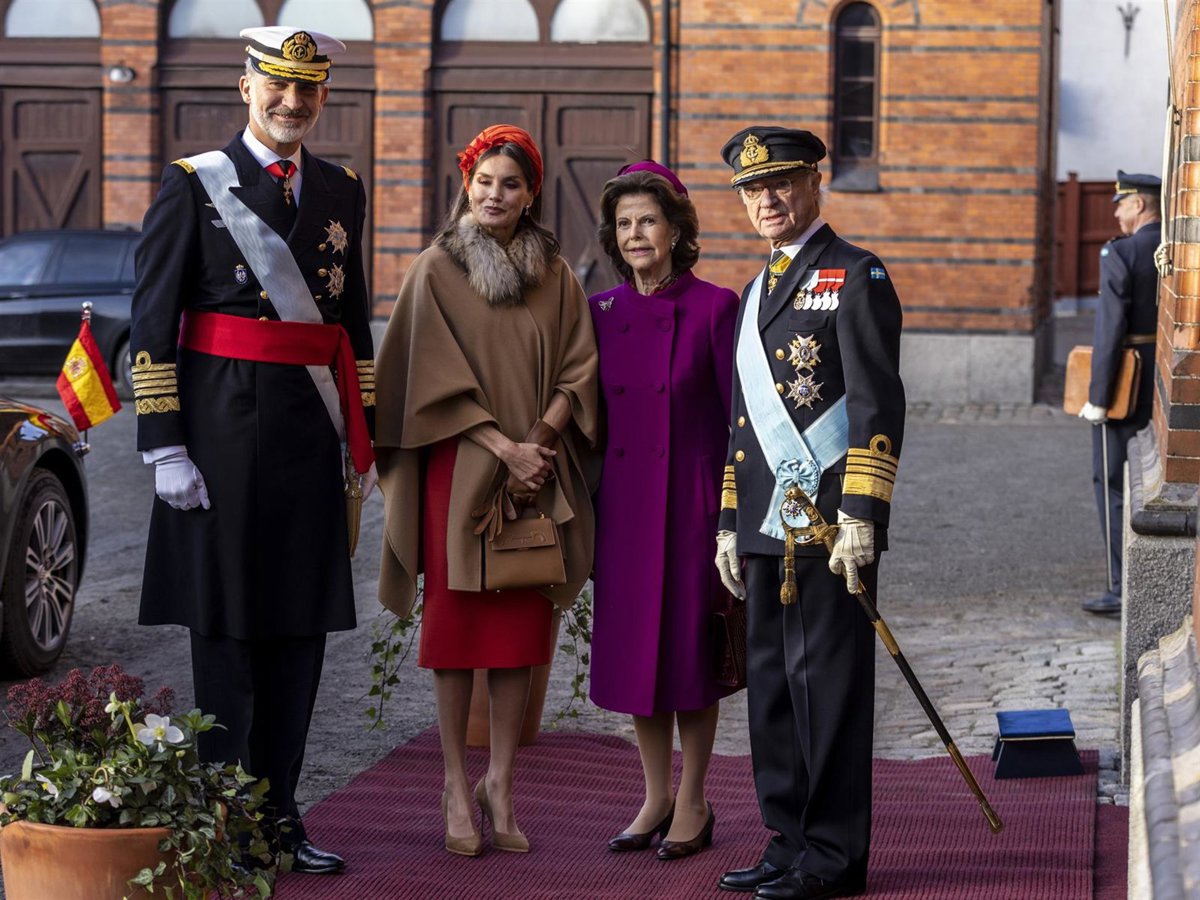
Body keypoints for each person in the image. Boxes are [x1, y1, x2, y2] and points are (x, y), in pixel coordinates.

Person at [129, 26, 375, 874]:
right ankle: (224, 820)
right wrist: (164, 446)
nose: (291, 102)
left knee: (301, 635)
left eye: (307, 89)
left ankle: (281, 818)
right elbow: (151, 324)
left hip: (308, 443)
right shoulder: (194, 183)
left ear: (323, 97)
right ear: (246, 87)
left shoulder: (341, 190)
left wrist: (361, 436)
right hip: (220, 446)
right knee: (228, 637)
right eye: (277, 85)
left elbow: (351, 326)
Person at [374, 124, 599, 857]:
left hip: (537, 469)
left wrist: (539, 441)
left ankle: (500, 783)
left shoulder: (556, 275)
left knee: (519, 633)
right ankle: (452, 782)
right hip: (460, 472)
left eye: (511, 183)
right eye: (484, 181)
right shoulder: (435, 270)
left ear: (531, 194)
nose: (495, 194)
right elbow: (419, 379)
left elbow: (580, 368)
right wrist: (503, 446)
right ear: (466, 184)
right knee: (457, 628)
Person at [713, 127, 905, 900]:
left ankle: (832, 855)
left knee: (826, 689)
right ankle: (788, 838)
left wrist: (862, 512)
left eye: (781, 183)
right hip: (766, 526)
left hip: (827, 528)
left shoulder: (858, 274)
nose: (767, 200)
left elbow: (876, 402)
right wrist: (730, 522)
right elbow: (741, 423)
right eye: (752, 190)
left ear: (814, 183)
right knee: (772, 689)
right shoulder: (755, 289)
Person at [587, 161, 742, 860]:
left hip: (692, 508)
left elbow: (740, 421)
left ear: (676, 230)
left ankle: (694, 797)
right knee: (638, 660)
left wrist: (732, 513)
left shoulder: (715, 307)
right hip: (624, 508)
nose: (635, 234)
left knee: (689, 655)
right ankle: (653, 796)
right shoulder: (601, 312)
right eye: (624, 224)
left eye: (648, 220)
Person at [1078, 170, 1161, 616]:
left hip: (1125, 383)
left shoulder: (1121, 251)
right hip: (1162, 380)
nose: (1116, 214)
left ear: (1139, 205)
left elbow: (1109, 330)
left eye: (1121, 204)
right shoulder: (1176, 248)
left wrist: (1098, 396)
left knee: (1110, 482)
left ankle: (1121, 585)